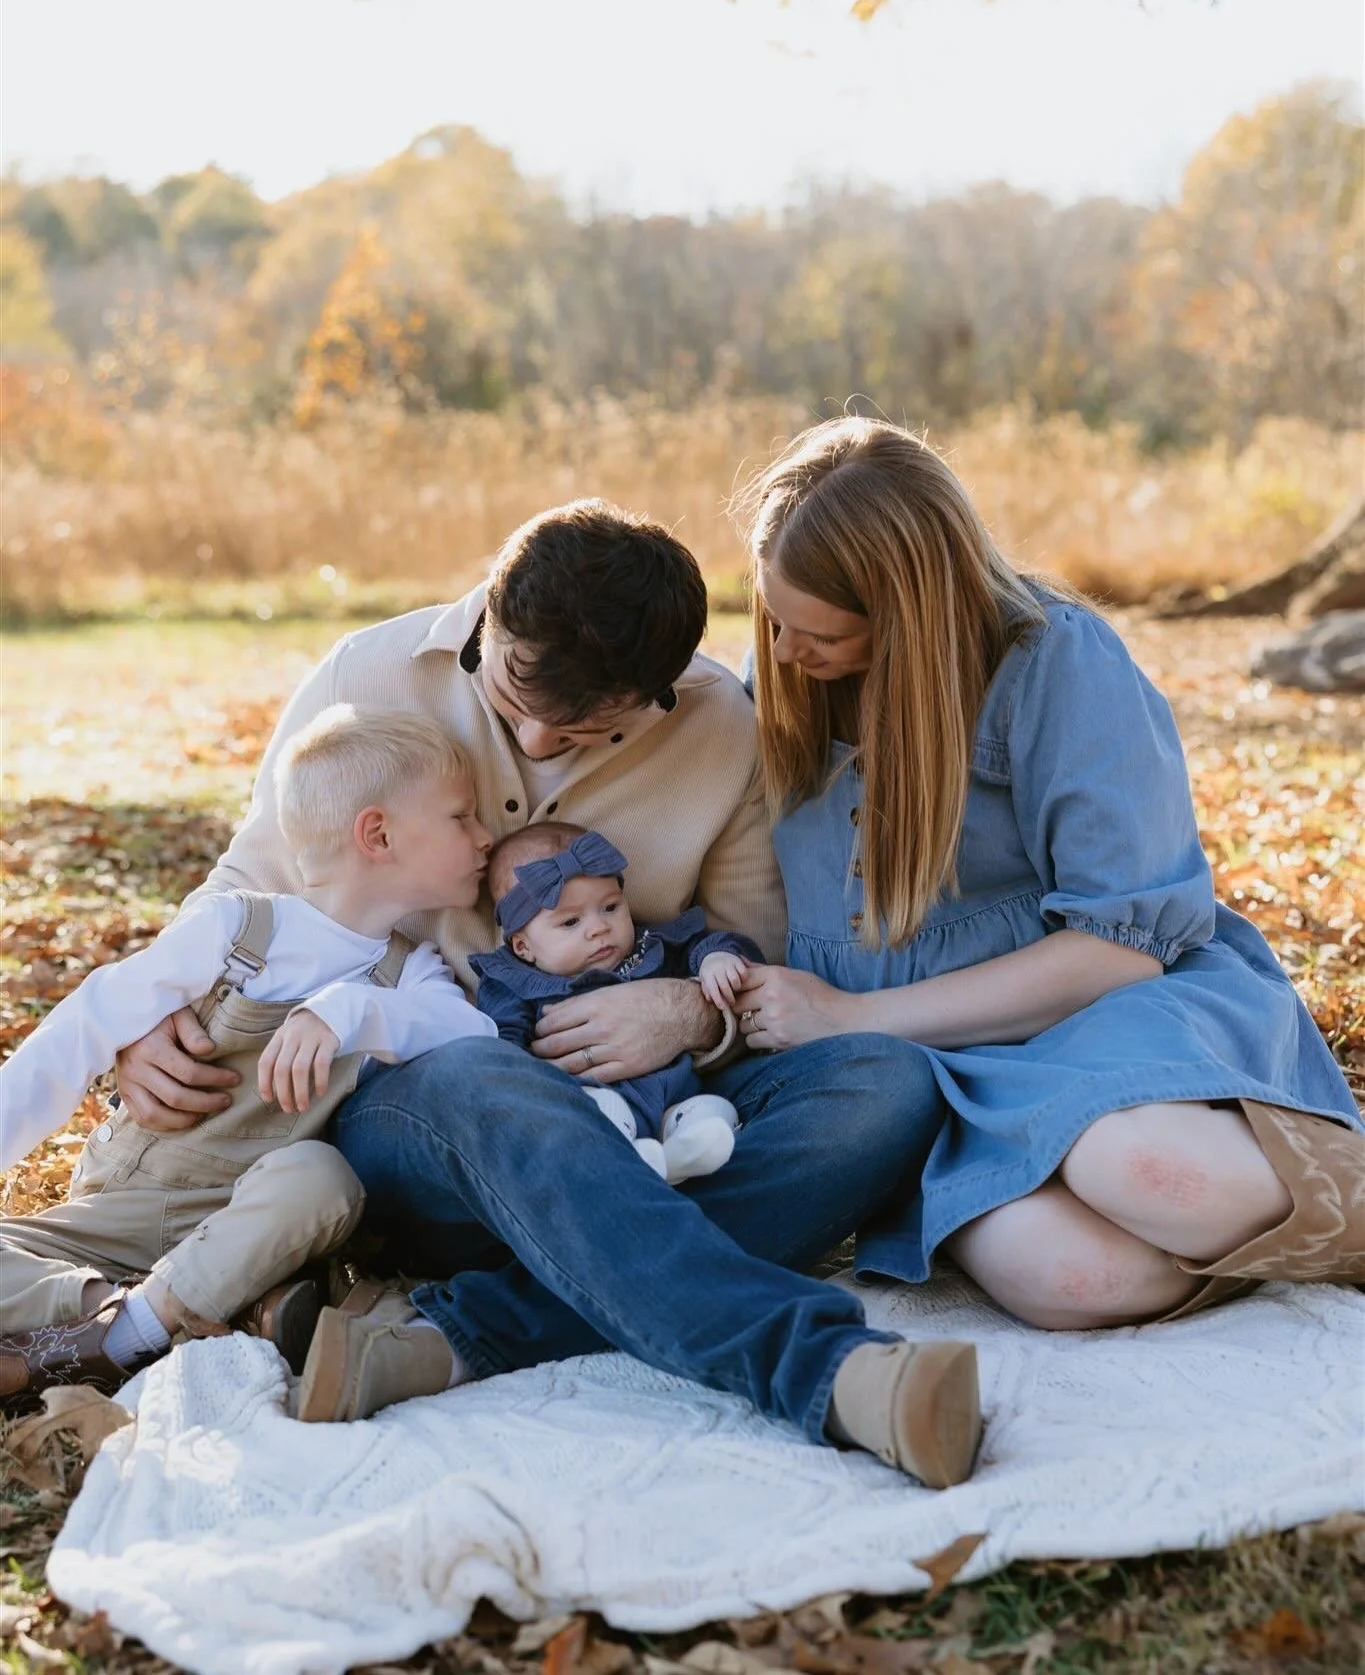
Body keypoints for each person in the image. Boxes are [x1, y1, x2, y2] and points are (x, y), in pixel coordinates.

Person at [110, 500, 984, 1488]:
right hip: (420, 1104)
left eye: (584, 729)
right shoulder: (366, 676)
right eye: (509, 695)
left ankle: (453, 1337)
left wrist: (689, 1013)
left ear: (658, 693)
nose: (530, 739)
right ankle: (834, 1374)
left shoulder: (718, 729)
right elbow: (247, 885)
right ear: (489, 613)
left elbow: (753, 953)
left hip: (651, 1112)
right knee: (476, 1070)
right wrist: (153, 1007)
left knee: (886, 1082)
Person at [729, 415, 1365, 1329]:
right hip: (938, 1074)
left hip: (1093, 1013)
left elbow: (1117, 951)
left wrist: (852, 1017)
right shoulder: (785, 683)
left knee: (1142, 1169)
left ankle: (1271, 1196)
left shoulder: (1056, 662)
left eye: (818, 633)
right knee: (1070, 1280)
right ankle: (1244, 1234)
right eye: (773, 621)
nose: (785, 654)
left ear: (910, 613)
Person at [0, 705, 498, 1404]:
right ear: (378, 834)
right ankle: (137, 1316)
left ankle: (123, 1334)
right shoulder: (236, 928)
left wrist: (346, 1011)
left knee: (322, 1176)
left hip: (267, 1220)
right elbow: (85, 1026)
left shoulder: (408, 973)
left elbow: (474, 1037)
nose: (484, 836)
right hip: (126, 1211)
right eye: (461, 816)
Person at [472, 822, 759, 1183]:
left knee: (715, 1112)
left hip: (673, 1105)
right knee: (601, 1112)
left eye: (609, 907)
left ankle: (676, 1158)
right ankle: (626, 1162)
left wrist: (716, 959)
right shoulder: (514, 983)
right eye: (570, 922)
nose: (598, 928)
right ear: (523, 947)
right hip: (590, 1100)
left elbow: (705, 944)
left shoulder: (648, 948)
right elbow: (502, 1048)